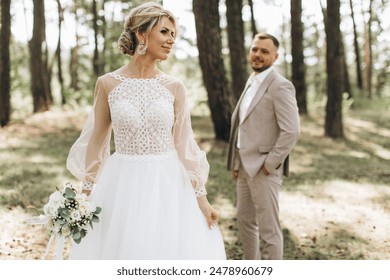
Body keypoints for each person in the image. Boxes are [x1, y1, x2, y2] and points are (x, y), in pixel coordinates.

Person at [66, 2, 226, 260]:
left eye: (174, 34)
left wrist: (202, 199)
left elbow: (185, 144)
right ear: (141, 34)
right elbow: (97, 141)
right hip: (121, 183)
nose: (171, 40)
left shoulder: (175, 87)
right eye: (164, 32)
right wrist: (83, 196)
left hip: (167, 183)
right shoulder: (107, 84)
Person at [227, 33, 300, 260]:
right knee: (245, 220)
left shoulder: (280, 86)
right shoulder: (252, 81)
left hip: (264, 168)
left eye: (265, 51)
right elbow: (244, 125)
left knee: (269, 230)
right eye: (255, 49)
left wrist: (269, 164)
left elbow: (291, 131)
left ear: (275, 57)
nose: (258, 55)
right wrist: (237, 161)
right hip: (244, 166)